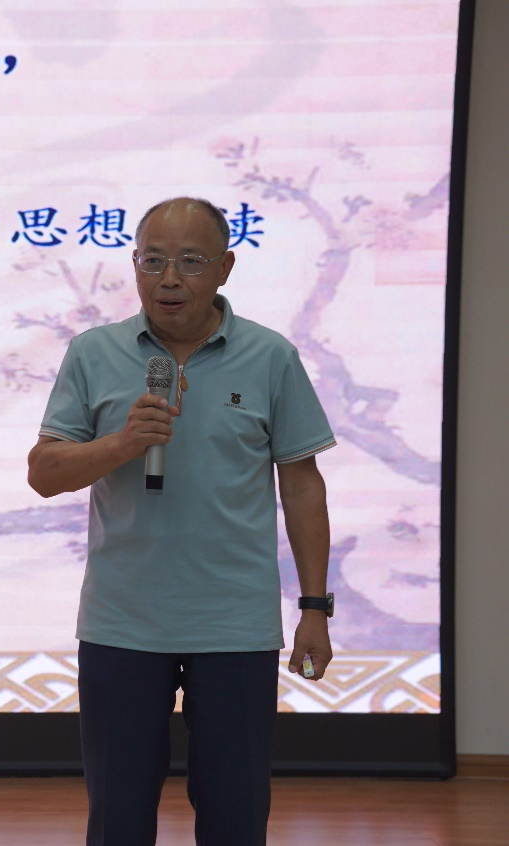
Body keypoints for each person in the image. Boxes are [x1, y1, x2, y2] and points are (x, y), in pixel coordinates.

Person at [27, 197, 336, 846]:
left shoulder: (271, 356)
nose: (169, 279)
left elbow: (302, 484)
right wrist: (121, 443)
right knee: (117, 816)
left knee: (235, 816)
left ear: (224, 268)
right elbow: (44, 473)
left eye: (191, 262)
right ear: (134, 265)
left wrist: (314, 607)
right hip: (122, 622)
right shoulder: (92, 353)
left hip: (234, 622)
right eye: (153, 261)